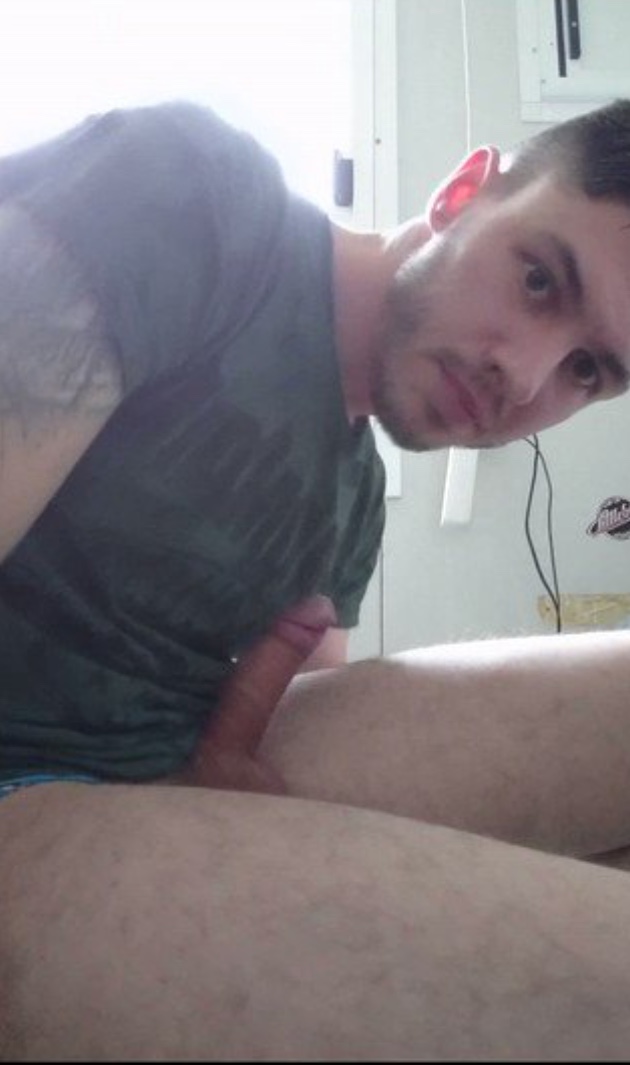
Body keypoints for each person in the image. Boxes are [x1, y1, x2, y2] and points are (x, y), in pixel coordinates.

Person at [2, 96, 630, 1060]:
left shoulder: (355, 504)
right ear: (465, 192)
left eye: (587, 370)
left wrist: (230, 781)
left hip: (144, 797)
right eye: (540, 279)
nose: (528, 376)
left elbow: (263, 744)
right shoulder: (198, 198)